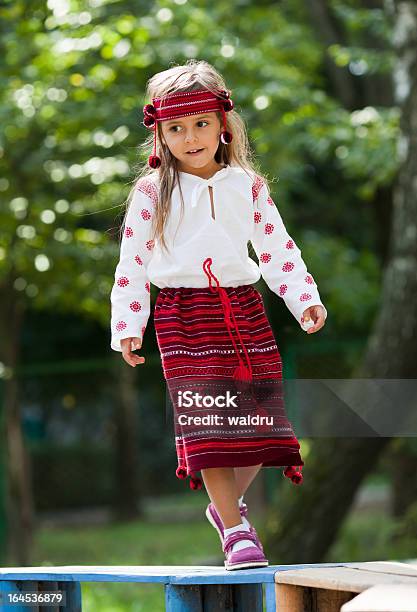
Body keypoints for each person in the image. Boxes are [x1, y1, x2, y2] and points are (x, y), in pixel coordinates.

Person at [110, 60, 327, 570]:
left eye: (201, 124)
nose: (190, 137)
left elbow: (277, 248)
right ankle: (234, 529)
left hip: (244, 309)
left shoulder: (247, 186)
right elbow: (133, 263)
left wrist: (303, 297)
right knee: (210, 423)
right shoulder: (150, 193)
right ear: (160, 135)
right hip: (183, 315)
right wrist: (128, 324)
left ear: (223, 124)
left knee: (257, 423)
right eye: (176, 128)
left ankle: (224, 507)